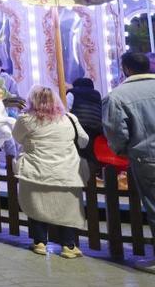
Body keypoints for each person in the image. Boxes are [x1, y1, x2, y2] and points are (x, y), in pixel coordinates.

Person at [13, 86, 88, 258]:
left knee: (36, 206)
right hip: (66, 170)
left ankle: (39, 242)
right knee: (67, 209)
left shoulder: (26, 119)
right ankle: (68, 246)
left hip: (36, 170)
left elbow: (17, 137)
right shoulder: (69, 118)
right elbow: (83, 140)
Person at [104, 50, 155, 261]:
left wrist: (124, 150)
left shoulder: (117, 96)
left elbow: (116, 132)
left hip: (147, 157)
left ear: (126, 69)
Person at [67, 77, 103, 150]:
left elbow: (66, 110)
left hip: (78, 127)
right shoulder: (97, 95)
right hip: (96, 128)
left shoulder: (72, 93)